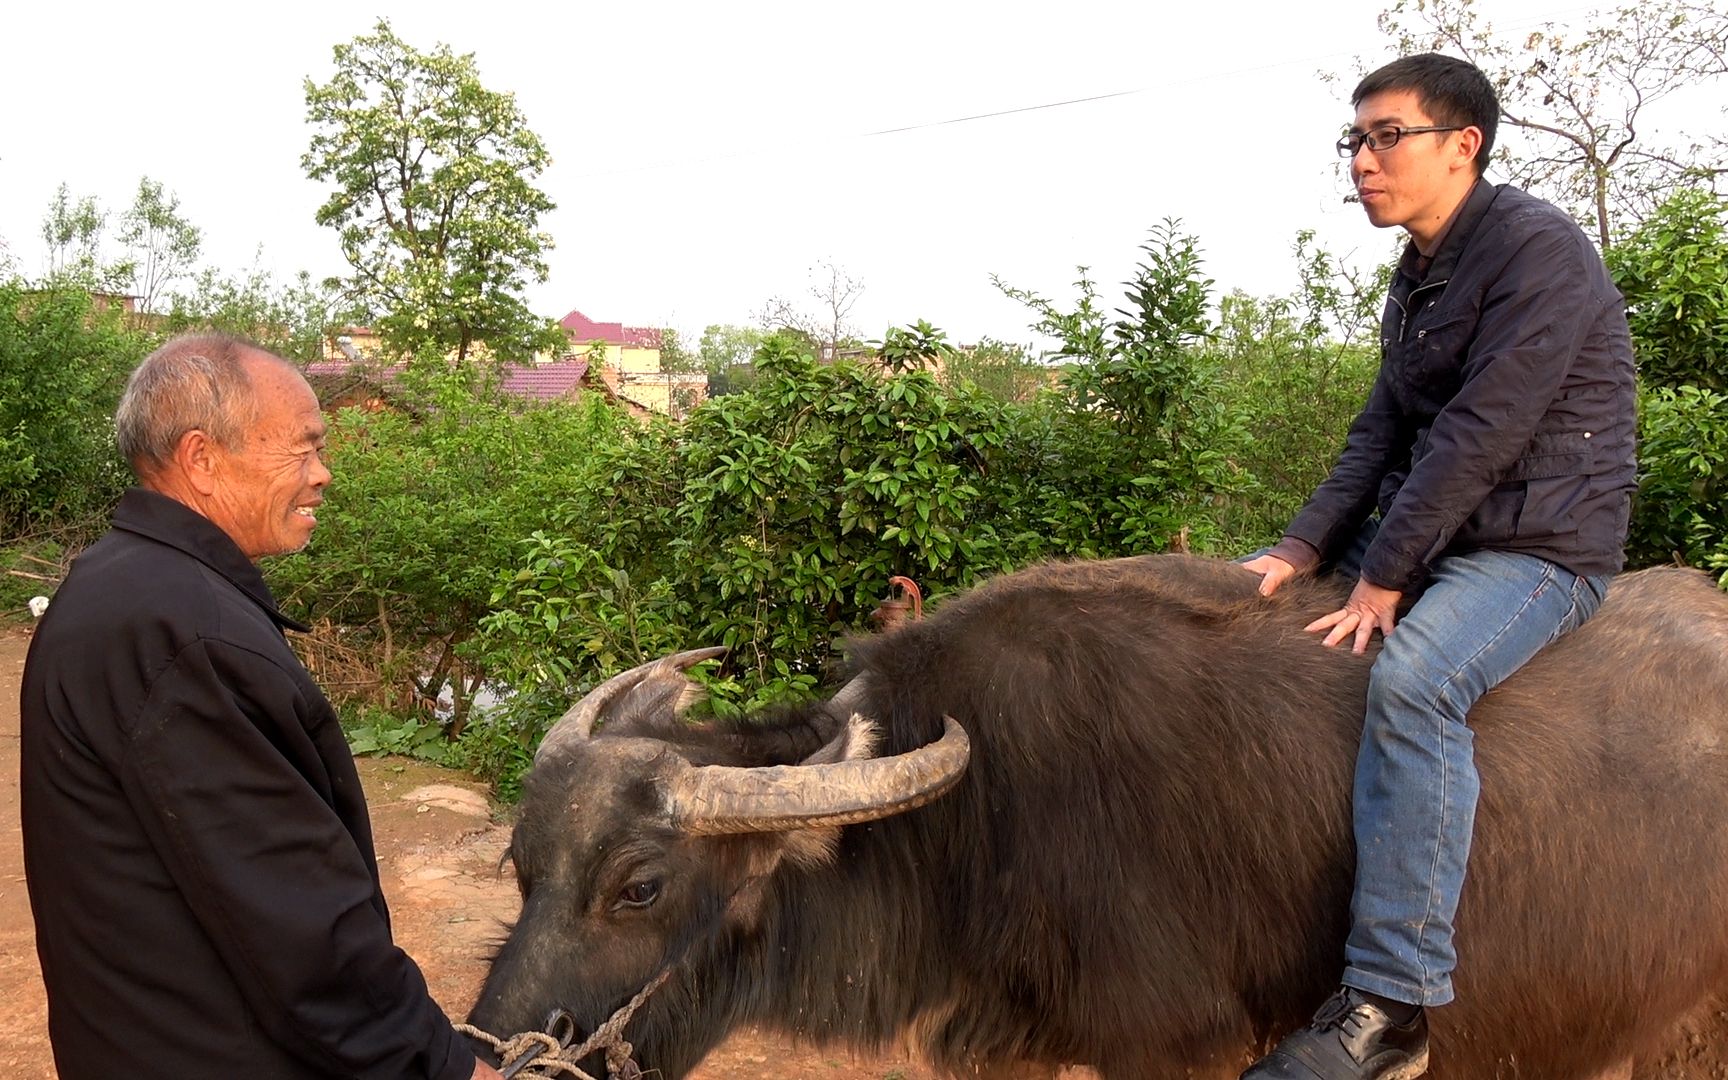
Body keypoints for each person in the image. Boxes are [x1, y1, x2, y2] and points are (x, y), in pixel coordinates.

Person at [1239, 54, 1637, 1080]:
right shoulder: (1420, 274)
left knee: (1414, 684)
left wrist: (1382, 578)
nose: (1363, 162)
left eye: (1387, 137)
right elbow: (1380, 432)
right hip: (1449, 535)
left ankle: (1391, 1007)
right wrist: (1296, 551)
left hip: (1540, 547)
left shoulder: (1536, 253)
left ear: (1464, 146)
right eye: (1354, 142)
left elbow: (1479, 434)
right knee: (1264, 643)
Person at [20, 334, 503, 1079]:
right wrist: (446, 1066)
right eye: (302, 450)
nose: (323, 475)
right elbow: (299, 928)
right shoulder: (180, 633)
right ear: (202, 459)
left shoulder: (127, 585)